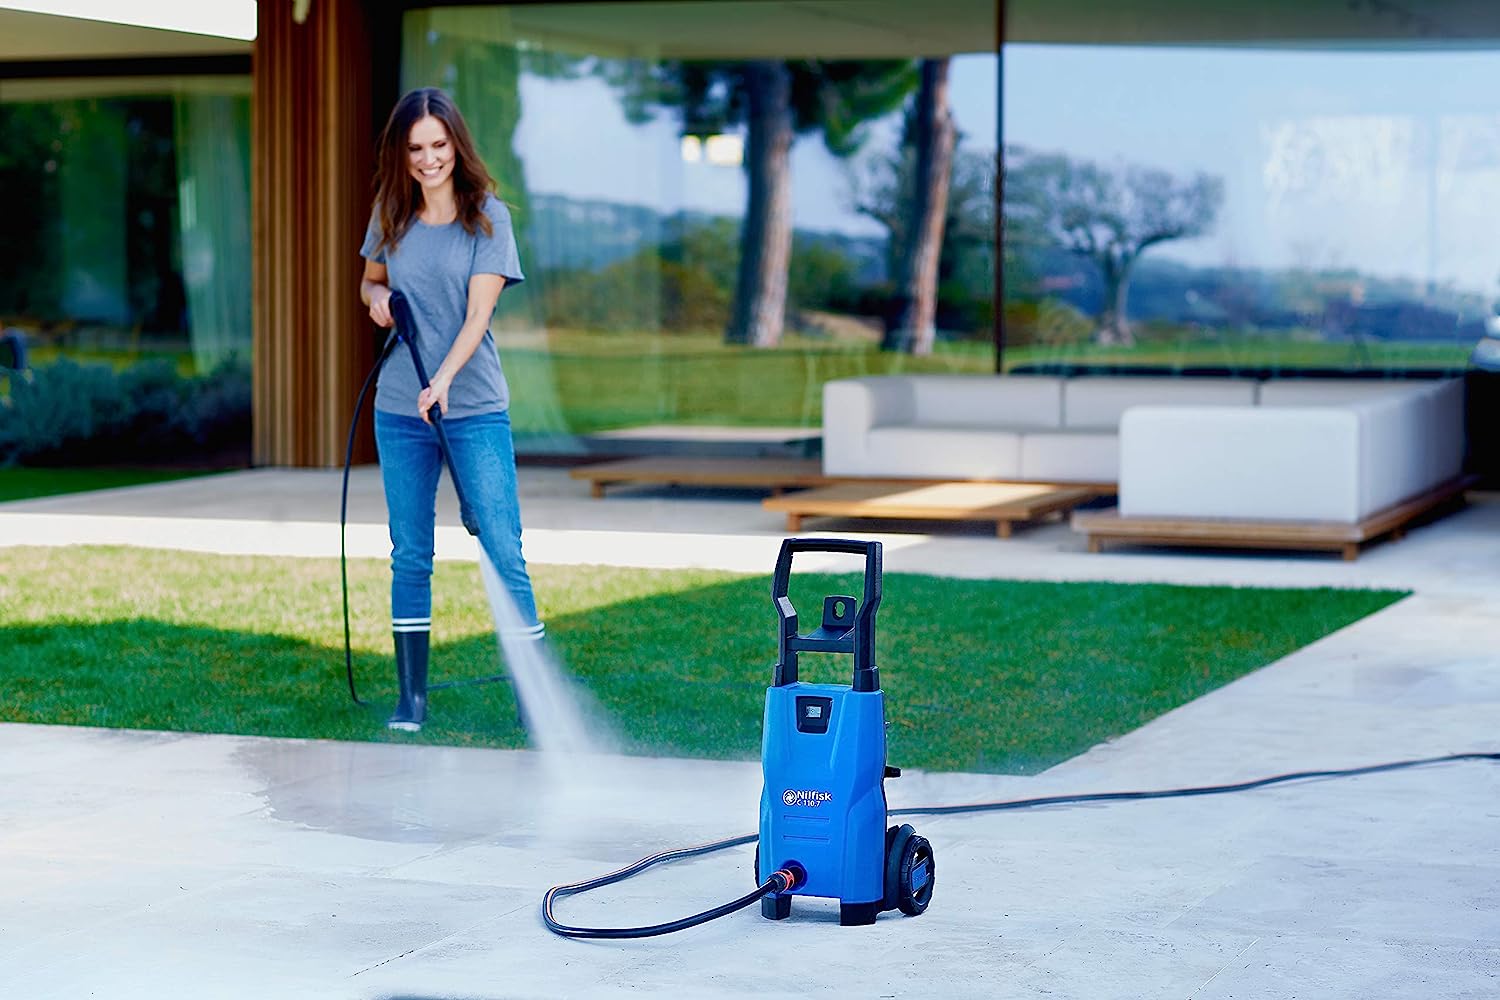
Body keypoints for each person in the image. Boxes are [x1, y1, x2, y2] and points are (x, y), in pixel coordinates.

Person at [359, 87, 542, 732]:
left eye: (438, 145)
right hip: (398, 409)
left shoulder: (486, 218)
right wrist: (375, 296)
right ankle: (412, 699)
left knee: (501, 545)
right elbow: (371, 276)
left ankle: (532, 697)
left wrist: (441, 380)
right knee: (410, 551)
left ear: (455, 146)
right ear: (401, 153)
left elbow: (478, 315)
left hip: (474, 406)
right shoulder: (392, 211)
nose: (428, 158)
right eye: (416, 148)